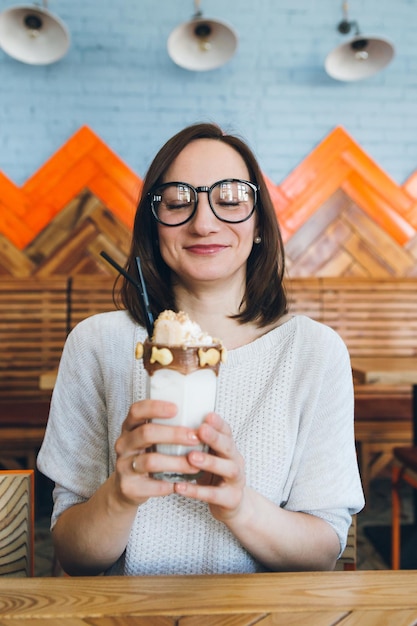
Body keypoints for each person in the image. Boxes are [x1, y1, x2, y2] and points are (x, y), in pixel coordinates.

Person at [37, 122, 364, 576]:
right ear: (154, 227)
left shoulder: (315, 352)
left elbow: (324, 550)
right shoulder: (96, 344)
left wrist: (239, 506)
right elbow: (72, 554)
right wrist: (120, 494)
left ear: (259, 227)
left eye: (229, 201)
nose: (203, 222)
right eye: (177, 202)